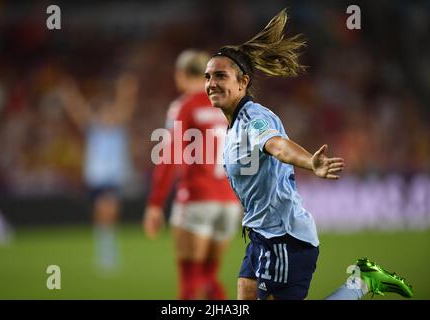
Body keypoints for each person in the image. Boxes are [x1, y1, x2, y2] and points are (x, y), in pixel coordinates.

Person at [203, 9, 413, 300]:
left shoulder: (254, 119)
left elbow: (277, 145)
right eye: (208, 76)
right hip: (262, 235)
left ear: (243, 82)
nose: (211, 82)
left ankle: (361, 283)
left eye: (220, 75)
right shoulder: (234, 124)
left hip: (284, 240)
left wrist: (309, 162)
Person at [143, 49, 242, 300]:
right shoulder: (228, 105)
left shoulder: (185, 105)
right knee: (208, 279)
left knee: (190, 281)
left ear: (181, 74)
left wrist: (155, 204)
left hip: (197, 199)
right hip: (230, 203)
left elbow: (169, 156)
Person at [59, 73, 138, 273]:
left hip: (112, 177)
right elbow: (78, 111)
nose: (108, 115)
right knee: (102, 214)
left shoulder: (119, 128)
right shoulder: (94, 128)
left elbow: (126, 105)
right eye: (104, 112)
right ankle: (105, 251)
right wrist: (70, 94)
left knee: (108, 210)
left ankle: (107, 253)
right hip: (96, 177)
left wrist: (127, 90)